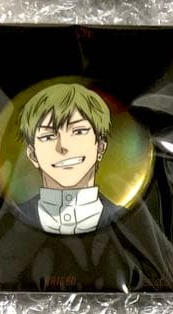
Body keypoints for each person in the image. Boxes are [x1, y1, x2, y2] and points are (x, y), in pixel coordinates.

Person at [16, 83, 126, 235]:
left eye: (78, 131)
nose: (63, 146)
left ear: (100, 146)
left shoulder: (131, 224)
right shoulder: (10, 220)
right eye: (48, 136)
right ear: (33, 155)